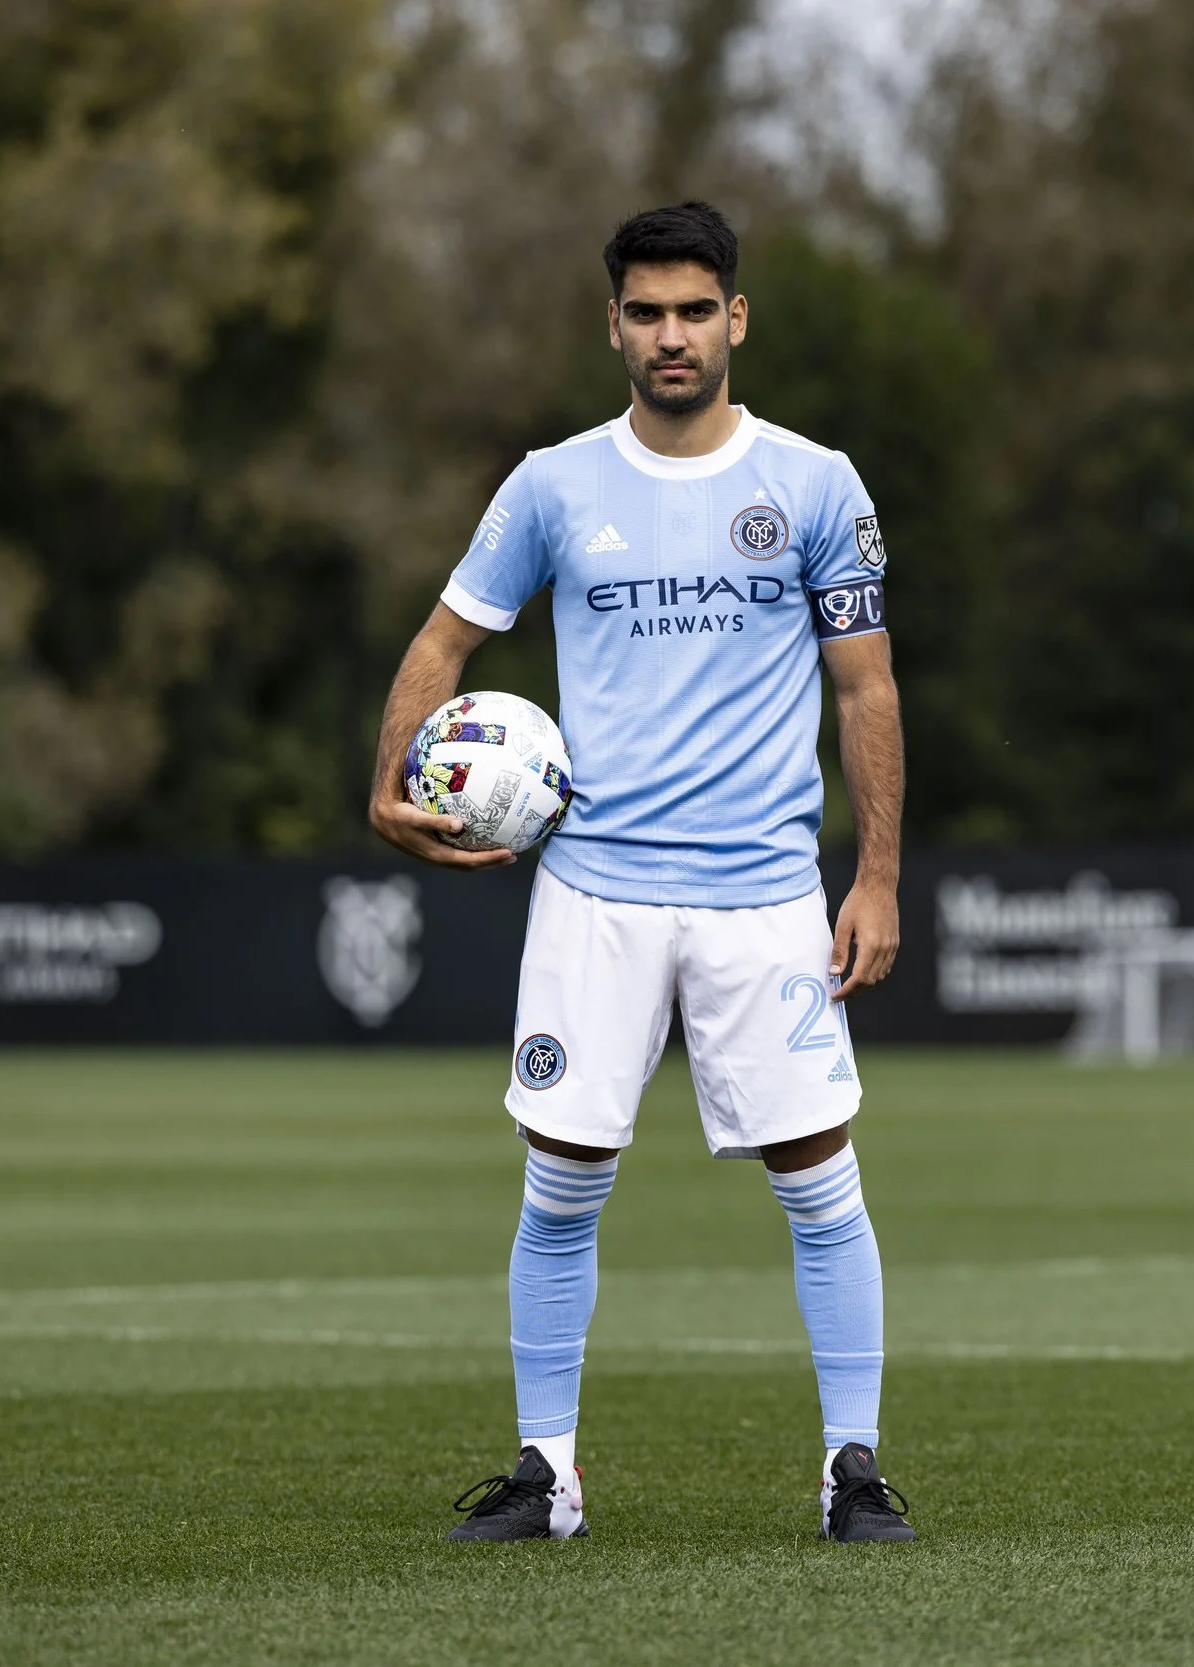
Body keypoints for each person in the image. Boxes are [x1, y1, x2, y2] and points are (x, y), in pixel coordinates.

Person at [366, 202, 912, 1544]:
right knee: (562, 1176)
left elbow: (867, 687)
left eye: (695, 310)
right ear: (612, 325)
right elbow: (443, 641)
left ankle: (853, 1469)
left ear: (737, 320)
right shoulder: (553, 485)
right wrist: (388, 784)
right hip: (595, 891)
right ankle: (546, 1475)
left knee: (818, 1175)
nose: (674, 334)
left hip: (765, 892)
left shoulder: (817, 484)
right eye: (648, 312)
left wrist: (878, 877)